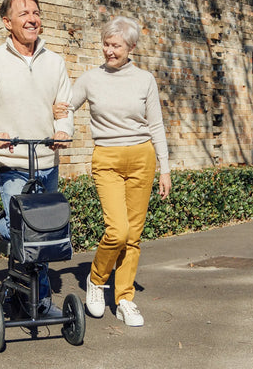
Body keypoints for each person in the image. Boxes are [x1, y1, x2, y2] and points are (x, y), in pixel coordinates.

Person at [54, 16, 171, 326]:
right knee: (117, 231)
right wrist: (58, 122)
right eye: (106, 44)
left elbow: (156, 124)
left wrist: (165, 169)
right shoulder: (91, 79)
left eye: (115, 45)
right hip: (106, 158)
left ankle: (124, 300)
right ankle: (96, 278)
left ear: (130, 47)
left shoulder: (145, 79)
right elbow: (65, 106)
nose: (109, 50)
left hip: (142, 158)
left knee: (133, 236)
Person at [0, 0, 74, 316]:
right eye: (24, 13)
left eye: (36, 12)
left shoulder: (55, 62)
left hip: (46, 161)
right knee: (23, 230)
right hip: (11, 162)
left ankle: (39, 302)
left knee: (43, 234)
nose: (32, 18)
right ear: (7, 22)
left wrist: (64, 129)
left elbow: (64, 108)